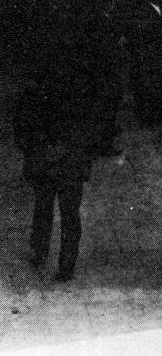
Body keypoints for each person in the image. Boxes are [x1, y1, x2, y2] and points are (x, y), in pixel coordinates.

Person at [13, 70, 97, 282]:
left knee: (57, 211)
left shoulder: (42, 89)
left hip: (61, 160)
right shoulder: (74, 88)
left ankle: (49, 256)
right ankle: (55, 258)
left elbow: (22, 128)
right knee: (59, 211)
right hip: (62, 160)